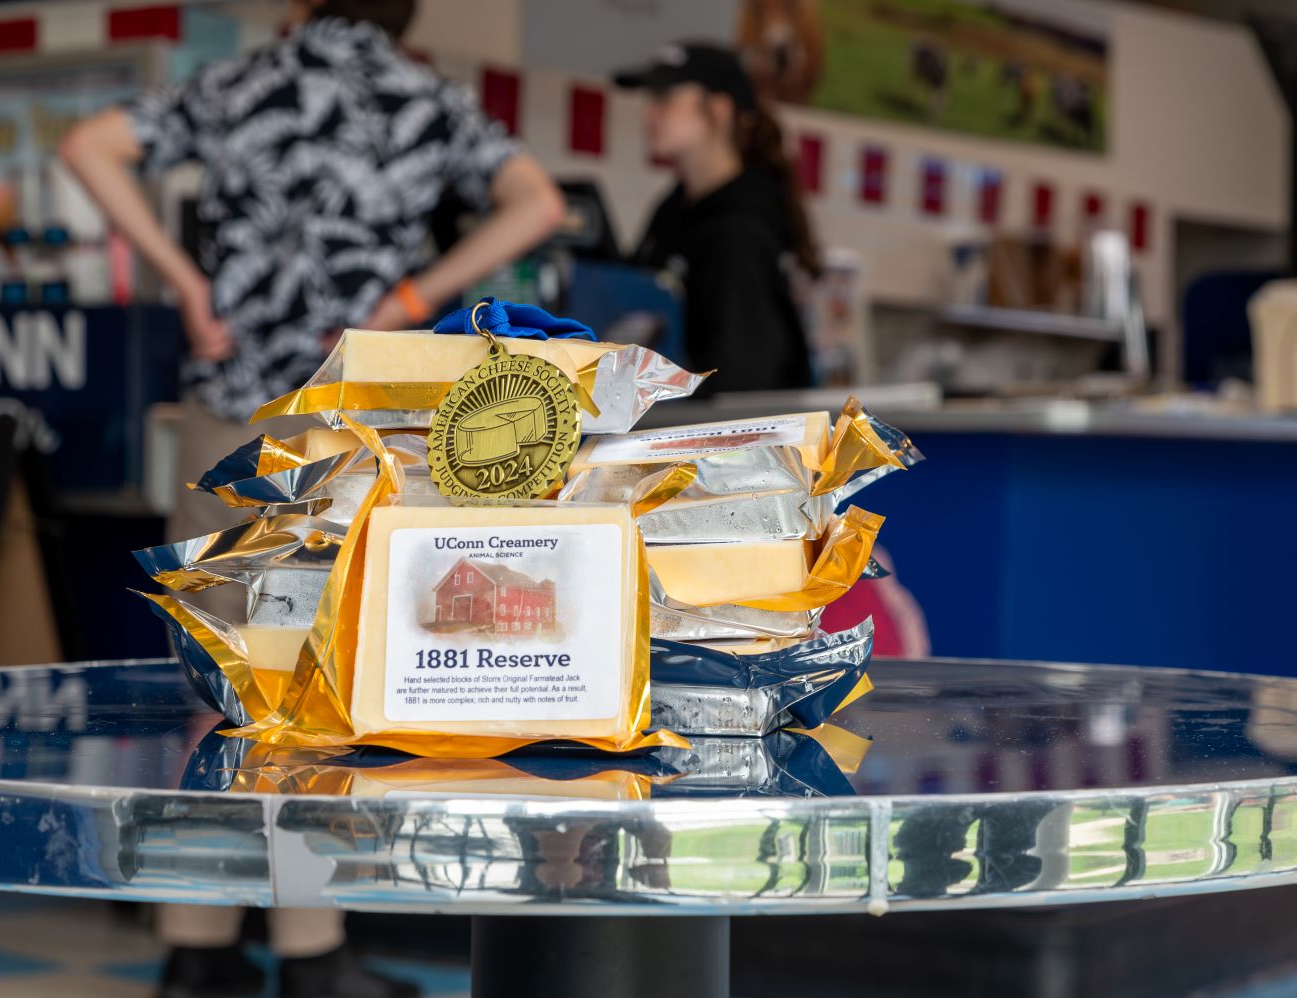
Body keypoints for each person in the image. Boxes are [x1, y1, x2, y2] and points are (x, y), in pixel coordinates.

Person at [59, 1, 564, 995]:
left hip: (228, 415)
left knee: (220, 680)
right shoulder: (426, 97)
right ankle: (311, 950)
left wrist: (186, 284)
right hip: (346, 415)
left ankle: (195, 944)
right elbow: (538, 204)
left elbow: (88, 146)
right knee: (317, 688)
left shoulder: (239, 84)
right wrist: (414, 301)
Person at [614, 42, 821, 393]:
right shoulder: (675, 208)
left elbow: (742, 382)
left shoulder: (741, 227)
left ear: (719, 109)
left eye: (664, 98)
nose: (649, 114)